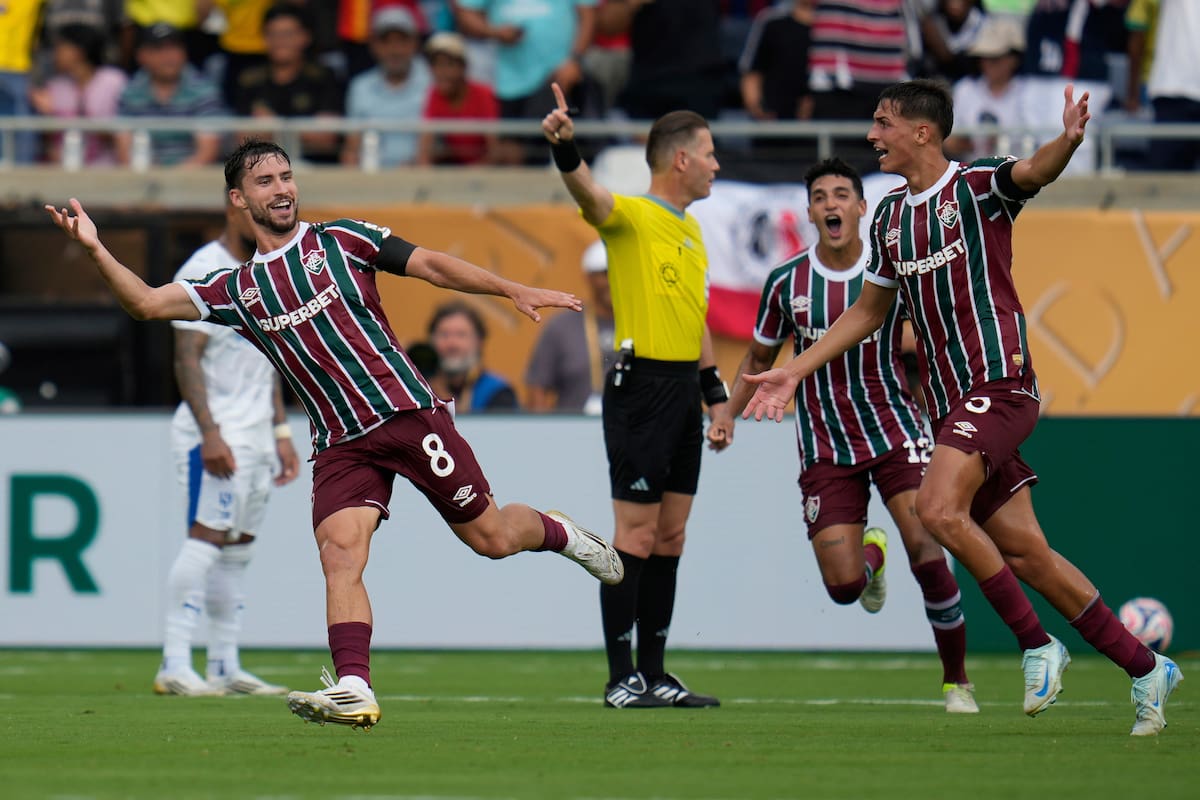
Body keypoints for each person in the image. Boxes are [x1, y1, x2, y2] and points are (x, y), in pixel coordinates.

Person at [46, 138, 623, 730]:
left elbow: (430, 264)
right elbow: (144, 303)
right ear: (238, 199)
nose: (282, 189)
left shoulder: (342, 240)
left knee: (494, 538)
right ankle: (354, 685)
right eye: (266, 181)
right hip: (341, 444)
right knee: (340, 554)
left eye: (286, 176)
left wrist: (510, 288)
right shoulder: (238, 290)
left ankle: (560, 532)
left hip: (408, 416)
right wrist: (95, 248)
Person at [742, 79, 1183, 736]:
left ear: (922, 131)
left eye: (883, 123)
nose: (872, 135)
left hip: (1000, 383)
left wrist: (1067, 138)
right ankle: (1145, 666)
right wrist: (791, 370)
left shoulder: (977, 190)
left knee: (934, 508)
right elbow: (868, 311)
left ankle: (1036, 645)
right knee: (1029, 553)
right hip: (952, 406)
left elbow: (1034, 170)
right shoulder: (890, 217)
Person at [708, 157, 976, 713]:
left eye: (841, 195)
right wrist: (727, 413)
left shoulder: (890, 275)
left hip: (896, 430)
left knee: (928, 548)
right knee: (844, 586)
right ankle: (871, 558)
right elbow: (760, 357)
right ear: (808, 212)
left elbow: (927, 345)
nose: (831, 204)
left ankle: (957, 683)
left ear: (860, 207)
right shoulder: (787, 282)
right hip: (825, 446)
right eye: (821, 197)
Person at [543, 83, 723, 708]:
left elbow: (695, 316)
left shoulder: (693, 231)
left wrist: (715, 391)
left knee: (671, 536)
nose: (716, 164)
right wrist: (567, 150)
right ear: (681, 160)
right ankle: (622, 678)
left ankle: (656, 674)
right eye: (708, 153)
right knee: (636, 535)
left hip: (681, 389)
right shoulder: (632, 215)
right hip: (640, 384)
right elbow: (590, 198)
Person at [154, 196, 300, 697]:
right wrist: (211, 433)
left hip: (258, 432)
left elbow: (271, 357)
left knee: (238, 548)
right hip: (213, 433)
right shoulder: (203, 269)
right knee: (206, 538)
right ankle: (174, 661)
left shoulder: (271, 267)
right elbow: (186, 358)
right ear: (234, 208)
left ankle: (224, 665)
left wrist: (280, 432)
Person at [230, 4, 343, 164]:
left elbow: (326, 139)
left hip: (316, 169)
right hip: (262, 171)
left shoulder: (323, 78)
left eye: (288, 34)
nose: (280, 41)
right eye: (273, 34)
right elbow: (241, 139)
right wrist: (304, 131)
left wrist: (273, 127)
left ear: (305, 37)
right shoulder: (250, 80)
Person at [525, 239, 616, 414]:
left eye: (621, 273)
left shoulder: (643, 323)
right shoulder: (562, 327)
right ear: (588, 277)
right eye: (605, 273)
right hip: (574, 434)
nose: (613, 280)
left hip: (632, 432)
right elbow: (538, 389)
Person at [116, 23, 225, 168]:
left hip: (192, 182)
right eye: (159, 49)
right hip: (142, 180)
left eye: (174, 47)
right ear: (141, 56)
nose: (169, 56)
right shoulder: (130, 92)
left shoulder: (204, 91)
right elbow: (125, 151)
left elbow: (207, 152)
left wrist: (171, 180)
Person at [341, 6, 431, 169]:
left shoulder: (431, 85)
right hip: (370, 181)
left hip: (420, 179)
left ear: (414, 44)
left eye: (402, 41)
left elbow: (436, 148)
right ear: (374, 46)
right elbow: (351, 148)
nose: (394, 50)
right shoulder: (360, 87)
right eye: (386, 41)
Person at [29, 23, 127, 165]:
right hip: (62, 174)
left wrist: (85, 123)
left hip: (106, 172)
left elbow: (122, 134)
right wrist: (46, 116)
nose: (55, 54)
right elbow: (47, 142)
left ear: (78, 50)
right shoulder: (56, 86)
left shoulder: (113, 81)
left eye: (60, 47)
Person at [417, 31, 499, 167]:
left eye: (449, 64)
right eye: (436, 65)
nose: (441, 72)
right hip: (457, 173)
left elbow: (496, 150)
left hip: (485, 174)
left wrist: (468, 175)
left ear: (463, 67)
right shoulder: (434, 94)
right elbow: (424, 149)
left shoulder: (483, 94)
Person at [426, 302, 518, 413]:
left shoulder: (499, 392)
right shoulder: (420, 388)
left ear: (479, 342)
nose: (452, 344)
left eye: (461, 335)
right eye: (444, 334)